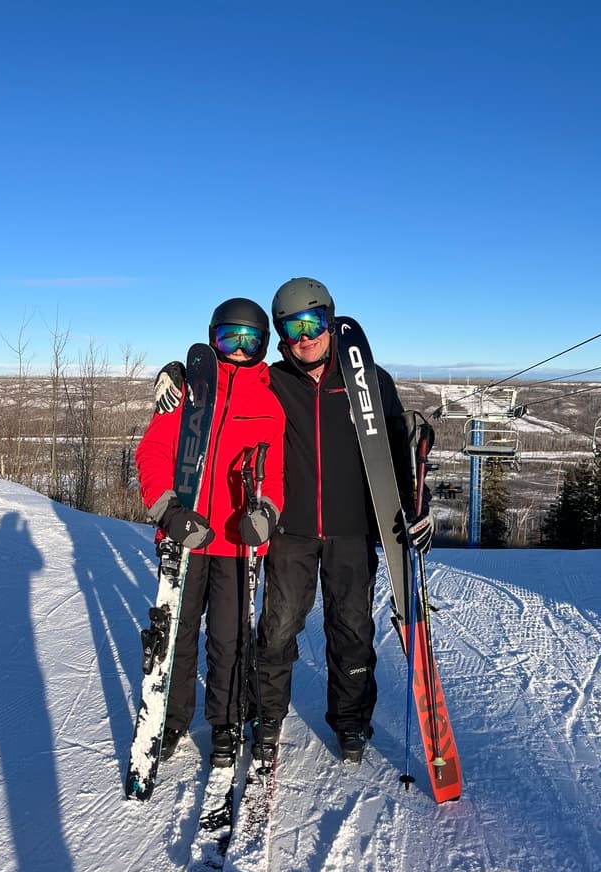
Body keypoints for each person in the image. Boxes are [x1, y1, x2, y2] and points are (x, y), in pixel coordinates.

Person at [155, 278, 432, 766]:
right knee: (278, 629)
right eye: (292, 328)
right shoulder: (274, 381)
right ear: (280, 335)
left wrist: (417, 504)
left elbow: (394, 452)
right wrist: (179, 371)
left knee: (352, 631)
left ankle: (350, 722)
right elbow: (222, 386)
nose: (305, 337)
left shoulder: (370, 381)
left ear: (330, 321)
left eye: (313, 324)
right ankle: (266, 715)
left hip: (352, 529)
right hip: (291, 532)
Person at [135, 298, 285, 767]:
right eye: (229, 339)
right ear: (213, 338)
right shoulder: (189, 393)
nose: (239, 351)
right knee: (177, 636)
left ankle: (225, 722)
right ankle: (172, 718)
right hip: (187, 534)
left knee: (229, 638)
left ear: (263, 345)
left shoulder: (270, 403)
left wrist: (264, 515)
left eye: (250, 341)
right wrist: (168, 511)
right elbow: (152, 453)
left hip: (236, 544)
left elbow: (275, 475)